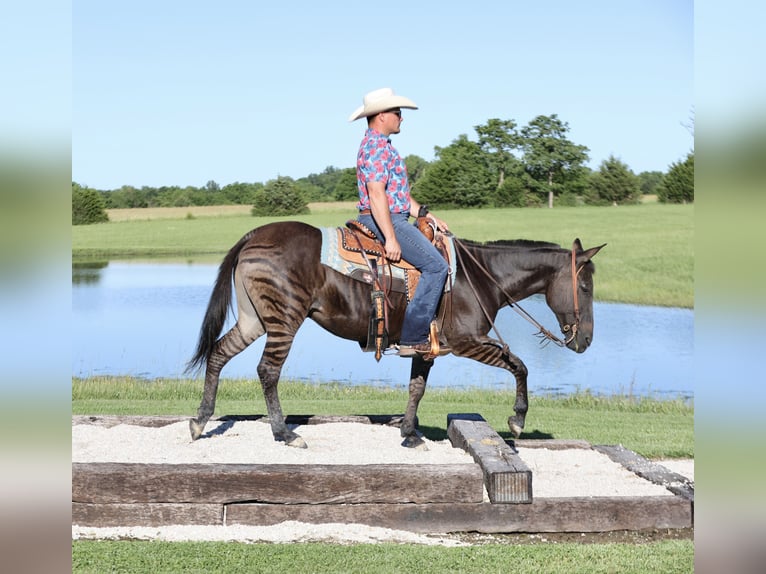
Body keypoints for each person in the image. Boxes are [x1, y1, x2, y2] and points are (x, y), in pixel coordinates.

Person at [349, 87, 449, 357]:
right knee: (437, 267)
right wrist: (391, 237)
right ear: (381, 116)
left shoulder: (381, 145)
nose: (401, 117)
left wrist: (425, 215)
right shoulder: (376, 147)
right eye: (397, 112)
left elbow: (399, 196)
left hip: (393, 215)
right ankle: (413, 338)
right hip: (385, 220)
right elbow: (377, 193)